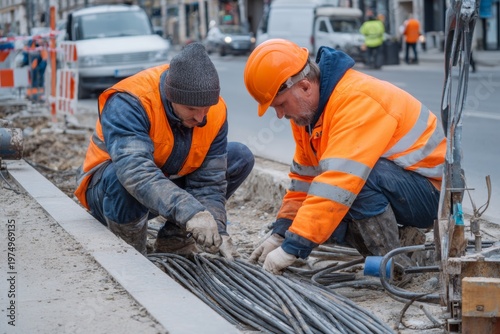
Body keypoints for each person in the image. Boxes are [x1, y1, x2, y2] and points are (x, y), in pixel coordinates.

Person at [243, 39, 446, 276]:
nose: (279, 115)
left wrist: (292, 248)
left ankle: (393, 267)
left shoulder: (356, 100)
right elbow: (304, 181)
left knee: (351, 184)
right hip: (400, 183)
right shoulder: (306, 117)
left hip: (433, 192)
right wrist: (282, 233)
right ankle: (399, 243)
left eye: (281, 104)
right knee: (319, 219)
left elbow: (340, 181)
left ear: (306, 87)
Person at [75, 42, 255, 258]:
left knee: (239, 156)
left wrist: (216, 227)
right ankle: (131, 251)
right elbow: (136, 174)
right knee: (120, 178)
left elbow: (209, 184)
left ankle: (175, 241)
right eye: (192, 109)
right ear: (171, 97)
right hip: (107, 193)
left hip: (162, 187)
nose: (201, 118)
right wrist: (190, 211)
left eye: (206, 109)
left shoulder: (213, 113)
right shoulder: (131, 101)